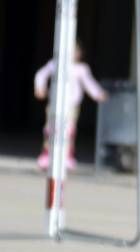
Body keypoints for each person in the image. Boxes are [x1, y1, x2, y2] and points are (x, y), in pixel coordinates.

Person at [34, 41, 108, 171]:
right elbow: (41, 75)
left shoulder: (81, 69)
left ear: (79, 54)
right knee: (51, 129)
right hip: (55, 104)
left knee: (69, 130)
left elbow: (89, 83)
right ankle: (47, 155)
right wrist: (40, 88)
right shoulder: (54, 64)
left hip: (71, 106)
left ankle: (67, 157)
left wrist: (98, 94)